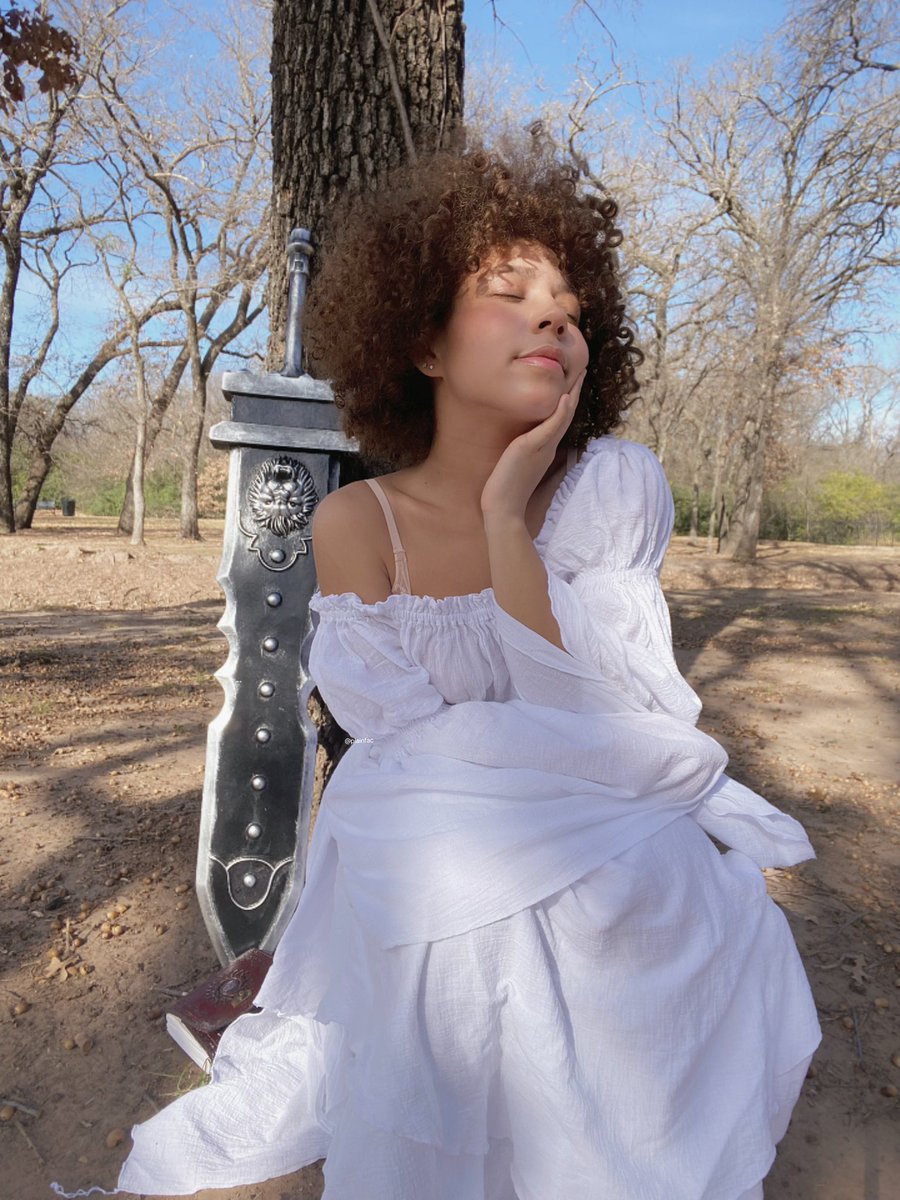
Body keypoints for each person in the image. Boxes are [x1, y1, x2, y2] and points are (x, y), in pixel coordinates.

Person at [114, 146, 821, 1199]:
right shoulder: (358, 521)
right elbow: (410, 746)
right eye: (510, 294)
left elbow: (597, 714)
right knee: (465, 903)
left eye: (569, 308)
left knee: (652, 896)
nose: (552, 319)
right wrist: (512, 768)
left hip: (597, 805)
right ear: (425, 344)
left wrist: (506, 518)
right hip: (432, 821)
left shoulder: (612, 486)